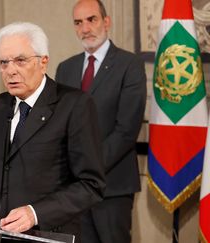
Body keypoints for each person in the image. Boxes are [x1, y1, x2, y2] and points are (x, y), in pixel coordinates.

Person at [0, 22, 105, 242]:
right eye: (3, 62)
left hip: (46, 235)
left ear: (43, 62)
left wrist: (35, 213)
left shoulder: (74, 105)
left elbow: (90, 185)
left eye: (20, 60)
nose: (10, 70)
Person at [55, 0, 147, 242]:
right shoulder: (65, 69)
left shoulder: (130, 64)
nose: (85, 28)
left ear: (107, 21)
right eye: (78, 22)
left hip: (112, 187)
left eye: (91, 19)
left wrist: (86, 168)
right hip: (73, 191)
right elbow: (59, 126)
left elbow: (126, 130)